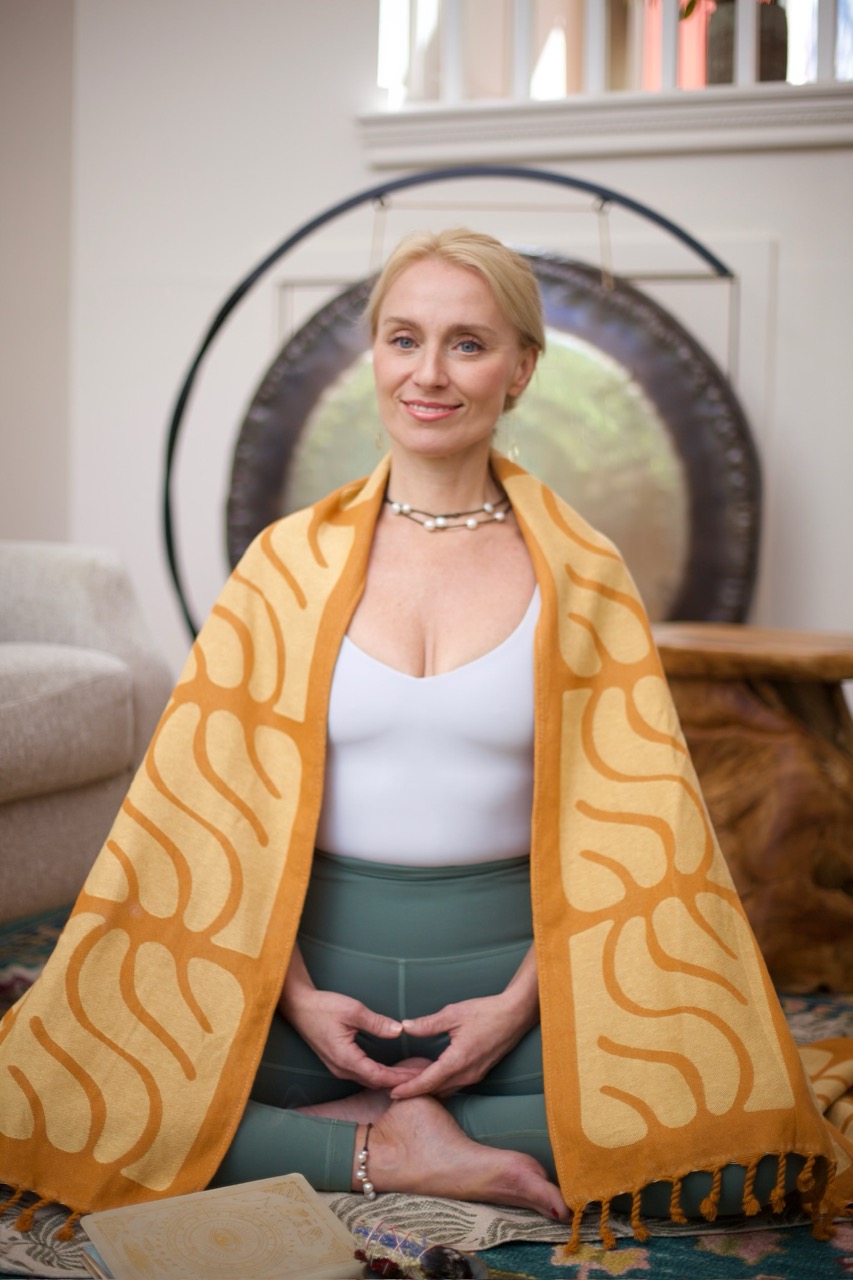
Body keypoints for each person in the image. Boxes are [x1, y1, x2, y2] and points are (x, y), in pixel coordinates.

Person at [0, 230, 849, 1246]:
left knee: (735, 1142)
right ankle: (386, 1146)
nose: (429, 373)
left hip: (513, 986)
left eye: (467, 343)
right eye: (404, 339)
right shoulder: (283, 563)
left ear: (522, 366)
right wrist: (295, 995)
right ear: (374, 355)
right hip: (313, 981)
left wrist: (517, 1004)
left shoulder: (583, 570)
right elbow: (203, 814)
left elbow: (635, 829)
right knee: (56, 1098)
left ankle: (349, 1138)